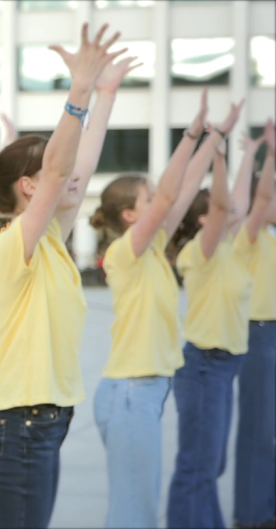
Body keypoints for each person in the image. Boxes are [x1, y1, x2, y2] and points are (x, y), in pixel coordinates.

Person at [0, 24, 129, 529]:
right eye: (54, 174)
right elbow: (63, 171)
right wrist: (78, 90)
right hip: (21, 420)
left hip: (45, 417)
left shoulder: (53, 244)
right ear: (28, 186)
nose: (73, 177)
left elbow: (75, 165)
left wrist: (104, 96)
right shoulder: (8, 248)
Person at [89, 89, 234, 528]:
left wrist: (214, 139)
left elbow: (183, 190)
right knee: (135, 515)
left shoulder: (151, 250)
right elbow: (172, 196)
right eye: (148, 198)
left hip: (143, 393)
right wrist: (191, 135)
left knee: (135, 509)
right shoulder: (124, 252)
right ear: (131, 216)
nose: (159, 203)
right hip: (131, 393)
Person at [167, 114, 252, 528]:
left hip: (223, 366)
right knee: (198, 467)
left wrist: (251, 152)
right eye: (221, 212)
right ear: (205, 222)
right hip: (203, 365)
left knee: (211, 465)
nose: (236, 209)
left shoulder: (231, 250)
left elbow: (237, 201)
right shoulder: (199, 251)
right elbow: (224, 204)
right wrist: (217, 155)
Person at [233, 119, 276, 529]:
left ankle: (267, 508)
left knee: (271, 431)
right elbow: (262, 196)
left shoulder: (271, 237)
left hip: (272, 333)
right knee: (258, 431)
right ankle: (251, 514)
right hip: (259, 334)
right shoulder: (247, 235)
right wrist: (269, 153)